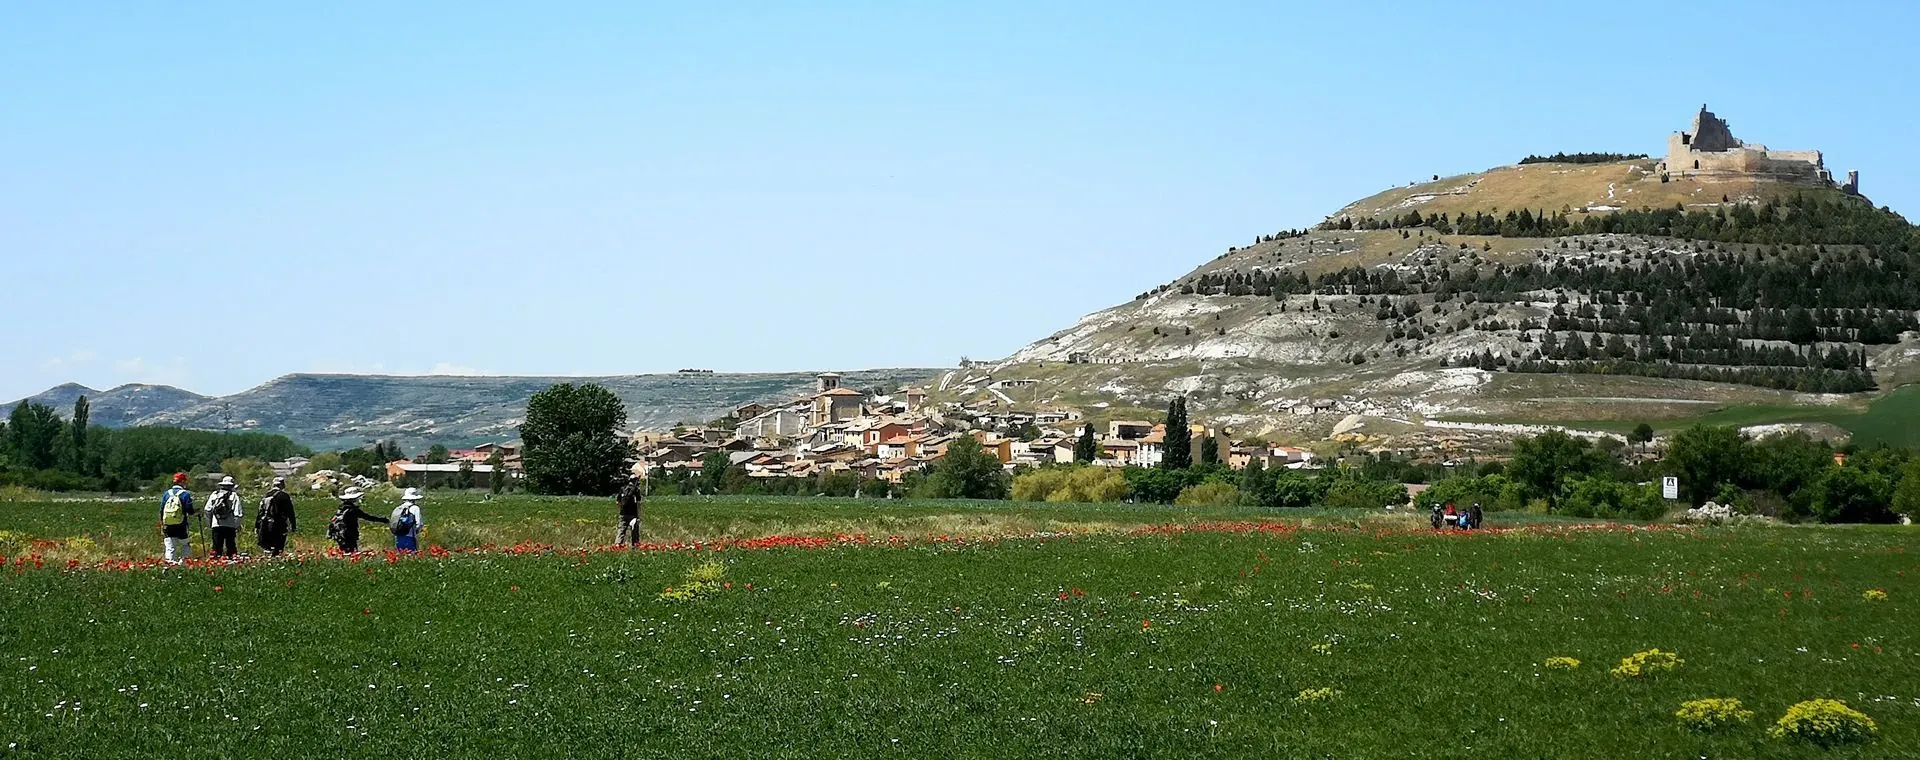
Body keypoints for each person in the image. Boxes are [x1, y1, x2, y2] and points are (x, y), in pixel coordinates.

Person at [327, 487, 387, 554]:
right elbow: (367, 517)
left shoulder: (341, 508)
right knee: (352, 553)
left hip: (339, 534)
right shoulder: (352, 509)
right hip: (349, 534)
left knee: (344, 552)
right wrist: (383, 520)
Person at [158, 472, 198, 563]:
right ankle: (184, 563)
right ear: (183, 482)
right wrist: (196, 511)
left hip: (168, 523)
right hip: (181, 524)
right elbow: (189, 510)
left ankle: (170, 563)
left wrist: (162, 523)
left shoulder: (166, 494)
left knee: (170, 545)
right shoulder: (185, 494)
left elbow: (161, 510)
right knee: (185, 544)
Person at [256, 477, 297, 556]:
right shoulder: (284, 496)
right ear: (282, 485)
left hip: (265, 524)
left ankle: (268, 561)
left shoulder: (266, 495)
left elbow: (260, 511)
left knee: (267, 547)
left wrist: (257, 525)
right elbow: (290, 512)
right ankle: (275, 560)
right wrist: (293, 525)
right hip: (279, 525)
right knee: (278, 547)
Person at [206, 476, 245, 558]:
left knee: (216, 547)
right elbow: (238, 513)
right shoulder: (233, 496)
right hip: (230, 525)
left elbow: (207, 510)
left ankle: (216, 563)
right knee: (230, 547)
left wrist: (210, 522)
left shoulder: (214, 495)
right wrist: (237, 525)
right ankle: (231, 562)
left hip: (216, 524)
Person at [390, 488, 424, 552]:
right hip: (410, 536)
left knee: (400, 555)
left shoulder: (400, 508)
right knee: (411, 555)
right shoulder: (415, 508)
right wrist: (416, 531)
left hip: (398, 536)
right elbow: (419, 523)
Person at [615, 474, 644, 546]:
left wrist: (622, 508)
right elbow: (638, 503)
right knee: (634, 530)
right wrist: (639, 515)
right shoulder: (636, 490)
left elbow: (617, 502)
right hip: (633, 514)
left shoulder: (623, 489)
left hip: (623, 513)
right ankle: (635, 544)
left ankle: (617, 545)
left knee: (621, 530)